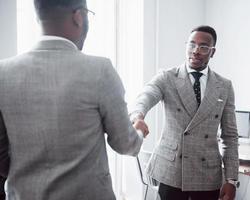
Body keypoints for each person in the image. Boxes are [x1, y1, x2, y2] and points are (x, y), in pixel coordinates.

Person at [0, 0, 149, 199]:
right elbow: (125, 144)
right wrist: (138, 129)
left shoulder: (3, 73)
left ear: (38, 17)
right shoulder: (100, 70)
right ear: (78, 16)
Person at [129, 25, 239, 200]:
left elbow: (230, 136)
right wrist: (138, 116)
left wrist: (231, 180)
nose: (196, 51)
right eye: (191, 44)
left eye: (203, 47)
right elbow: (145, 96)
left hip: (207, 174)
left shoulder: (224, 86)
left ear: (213, 52)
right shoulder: (167, 77)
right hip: (172, 170)